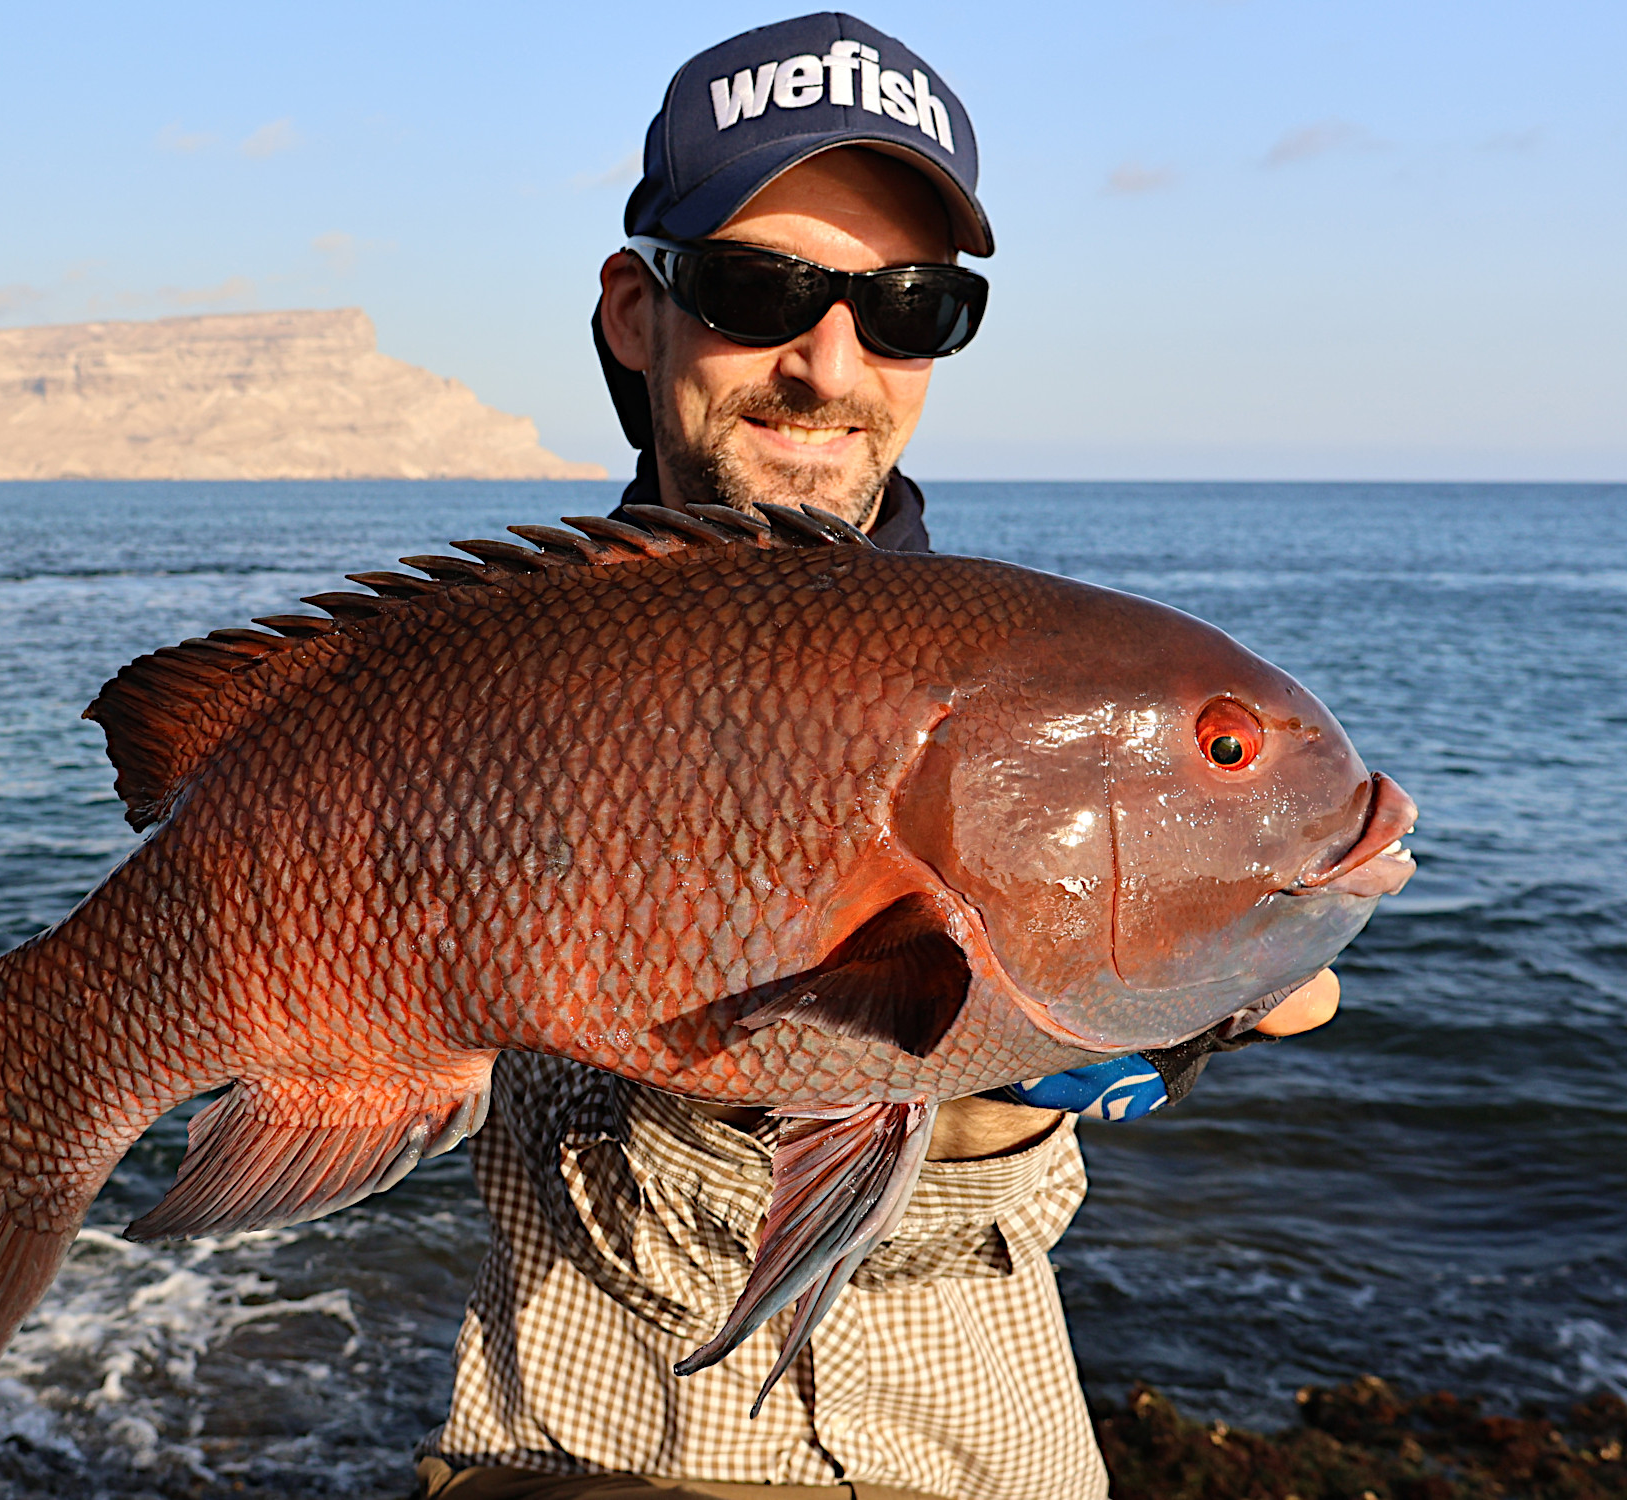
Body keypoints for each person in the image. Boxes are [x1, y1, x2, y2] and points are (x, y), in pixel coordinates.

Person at [412, 15, 1340, 1500]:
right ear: (635, 313)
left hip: (987, 1443)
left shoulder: (1029, 686)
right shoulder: (503, 671)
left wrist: (1163, 1018)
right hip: (591, 1445)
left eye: (909, 305)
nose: (829, 361)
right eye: (754, 287)